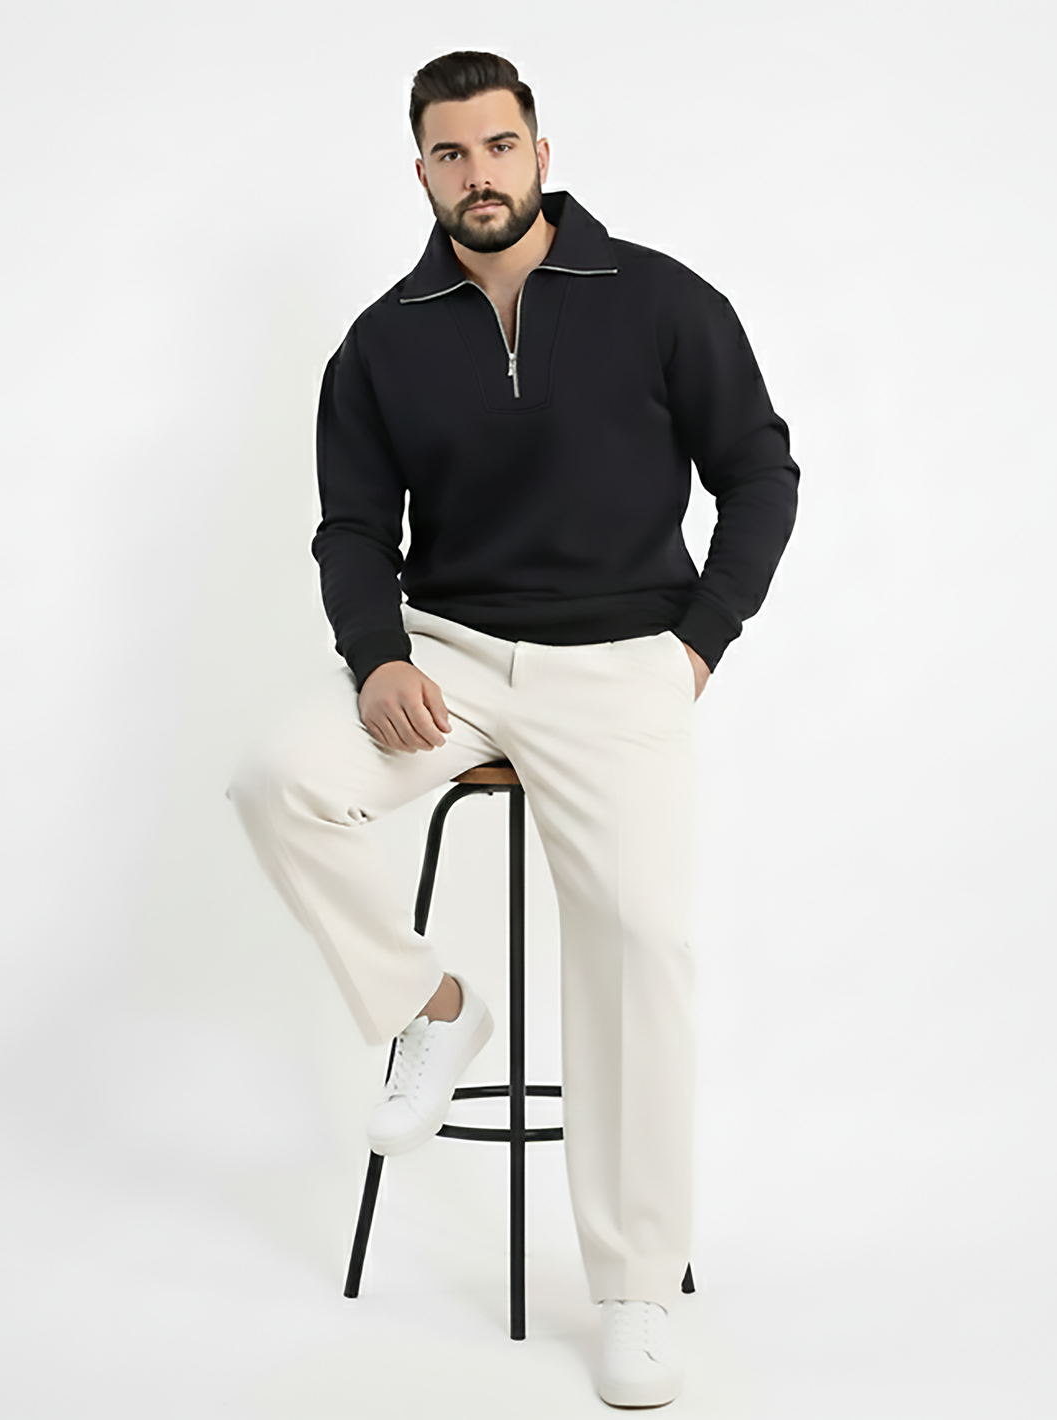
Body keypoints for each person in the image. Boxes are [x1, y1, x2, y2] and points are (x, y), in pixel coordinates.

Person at [226, 50, 798, 1410]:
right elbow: (353, 528)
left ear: (540, 151)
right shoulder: (382, 341)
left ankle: (636, 1290)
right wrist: (376, 656)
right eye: (449, 154)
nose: (476, 175)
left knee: (639, 947)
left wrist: (701, 639)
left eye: (497, 146)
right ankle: (433, 1007)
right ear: (420, 170)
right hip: (452, 653)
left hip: (622, 660)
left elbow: (759, 473)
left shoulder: (660, 299)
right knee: (278, 781)